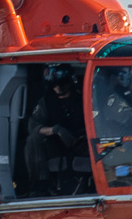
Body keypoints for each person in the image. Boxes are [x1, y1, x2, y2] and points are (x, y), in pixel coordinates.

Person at [24, 65, 87, 196]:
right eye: (54, 85)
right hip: (56, 144)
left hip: (84, 142)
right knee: (32, 141)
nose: (59, 88)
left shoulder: (85, 98)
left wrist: (84, 135)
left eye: (62, 83)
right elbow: (33, 127)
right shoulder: (46, 102)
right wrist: (56, 130)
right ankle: (40, 185)